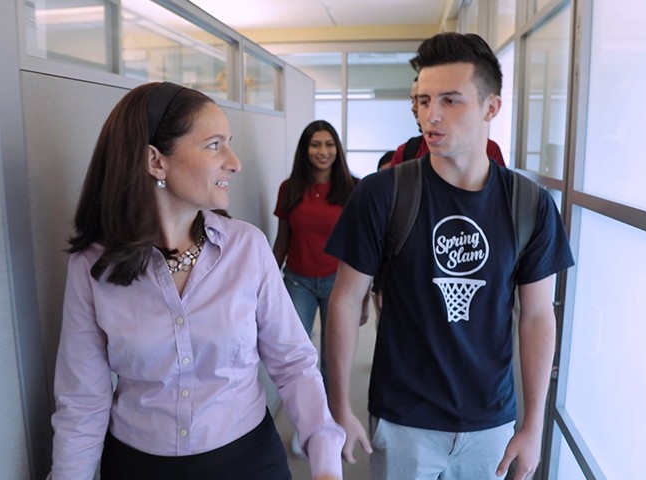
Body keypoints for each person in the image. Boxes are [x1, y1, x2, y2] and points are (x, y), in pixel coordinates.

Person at [48, 82, 345, 480]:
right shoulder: (93, 267)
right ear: (156, 161)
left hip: (247, 461)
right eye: (214, 145)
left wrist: (325, 464)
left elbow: (293, 363)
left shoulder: (247, 247)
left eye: (230, 143)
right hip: (138, 466)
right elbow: (82, 402)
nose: (235, 162)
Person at [324, 33, 574, 480]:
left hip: (491, 422)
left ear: (490, 108)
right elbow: (345, 299)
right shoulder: (383, 193)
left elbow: (537, 315)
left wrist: (533, 425)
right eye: (422, 100)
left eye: (450, 101)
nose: (430, 115)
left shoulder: (529, 204)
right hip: (404, 419)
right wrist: (338, 406)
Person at [272, 120, 362, 455]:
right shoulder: (290, 188)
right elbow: (283, 239)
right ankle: (306, 424)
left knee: (332, 360)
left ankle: (331, 422)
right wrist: (266, 279)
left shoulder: (353, 188)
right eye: (315, 145)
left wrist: (363, 297)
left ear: (337, 149)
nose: (322, 152)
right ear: (305, 150)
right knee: (298, 358)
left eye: (328, 145)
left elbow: (360, 246)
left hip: (341, 285)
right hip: (298, 281)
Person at [387, 77, 507, 168]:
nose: (414, 108)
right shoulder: (407, 151)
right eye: (421, 101)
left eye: (449, 101)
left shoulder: (487, 149)